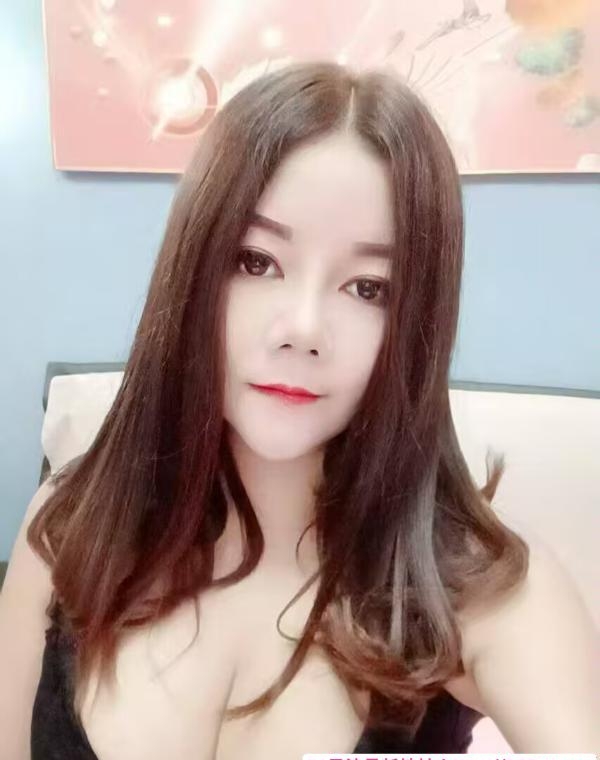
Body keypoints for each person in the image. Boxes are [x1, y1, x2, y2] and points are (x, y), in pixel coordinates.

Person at [1, 61, 598, 760]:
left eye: (369, 288)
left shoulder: (488, 595)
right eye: (256, 261)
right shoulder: (71, 526)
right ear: (193, 270)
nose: (304, 329)